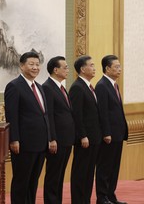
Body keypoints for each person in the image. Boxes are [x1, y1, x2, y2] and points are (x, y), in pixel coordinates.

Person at [4, 51, 50, 204]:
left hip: (41, 143)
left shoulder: (39, 86)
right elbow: (12, 115)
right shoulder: (14, 86)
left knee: (33, 180)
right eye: (31, 64)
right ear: (22, 66)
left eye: (37, 64)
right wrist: (14, 139)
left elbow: (45, 115)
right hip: (24, 143)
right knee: (21, 181)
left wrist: (49, 138)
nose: (35, 67)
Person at [95, 55, 128, 204]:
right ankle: (102, 197)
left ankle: (111, 195)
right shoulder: (102, 85)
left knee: (114, 167)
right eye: (116, 67)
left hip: (118, 133)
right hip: (109, 135)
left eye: (120, 67)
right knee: (105, 167)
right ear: (107, 68)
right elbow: (103, 112)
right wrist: (106, 133)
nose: (119, 70)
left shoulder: (114, 84)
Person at [69, 55, 102, 204]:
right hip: (85, 139)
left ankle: (85, 200)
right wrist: (82, 135)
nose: (94, 68)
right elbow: (77, 115)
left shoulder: (89, 86)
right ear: (82, 69)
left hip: (94, 137)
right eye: (91, 65)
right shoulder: (77, 87)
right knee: (81, 173)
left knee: (89, 173)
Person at [42, 56, 75, 204]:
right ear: (55, 70)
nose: (68, 70)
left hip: (67, 139)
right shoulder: (48, 87)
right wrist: (52, 138)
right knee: (53, 176)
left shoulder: (61, 87)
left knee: (60, 175)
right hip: (57, 140)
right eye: (65, 67)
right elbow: (48, 116)